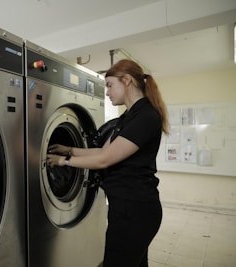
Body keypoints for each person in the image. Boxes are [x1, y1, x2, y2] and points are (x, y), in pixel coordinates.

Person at [46, 59, 169, 267]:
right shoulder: (129, 116)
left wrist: (64, 161)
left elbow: (104, 160)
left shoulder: (146, 116)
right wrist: (69, 149)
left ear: (127, 80)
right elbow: (103, 151)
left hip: (136, 210)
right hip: (126, 207)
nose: (107, 92)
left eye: (110, 85)